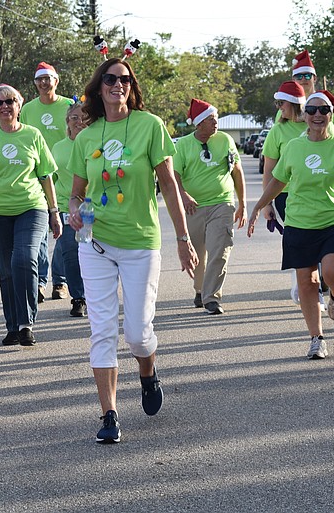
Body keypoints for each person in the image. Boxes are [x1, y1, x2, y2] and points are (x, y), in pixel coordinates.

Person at [67, 57, 198, 444]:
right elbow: (76, 194)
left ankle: (147, 371)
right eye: (109, 78)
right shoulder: (86, 136)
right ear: (98, 86)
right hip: (96, 245)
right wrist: (75, 212)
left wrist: (183, 237)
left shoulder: (150, 126)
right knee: (103, 330)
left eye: (124, 79)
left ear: (131, 86)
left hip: (141, 243)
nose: (117, 84)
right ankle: (108, 414)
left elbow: (169, 185)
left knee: (139, 334)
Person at [248, 93, 334, 359]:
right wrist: (258, 206)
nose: (317, 114)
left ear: (330, 115)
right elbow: (278, 180)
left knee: (333, 272)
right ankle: (316, 338)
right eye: (311, 110)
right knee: (306, 282)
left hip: (331, 219)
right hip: (299, 222)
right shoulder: (293, 147)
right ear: (304, 115)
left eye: (323, 110)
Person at [0, 84, 62, 347]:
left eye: (10, 101)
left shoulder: (33, 135)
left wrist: (54, 212)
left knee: (24, 259)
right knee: (6, 271)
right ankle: (13, 326)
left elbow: (45, 176)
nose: (5, 106)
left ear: (19, 105)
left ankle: (26, 323)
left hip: (31, 207)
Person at [174, 98, 246, 315]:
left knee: (220, 249)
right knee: (197, 254)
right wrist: (183, 195)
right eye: (211, 119)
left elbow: (237, 172)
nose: (216, 123)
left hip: (222, 203)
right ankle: (200, 289)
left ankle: (212, 297)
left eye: (216, 118)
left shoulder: (225, 140)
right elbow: (174, 175)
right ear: (198, 123)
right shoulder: (184, 145)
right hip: (193, 207)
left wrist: (242, 203)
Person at [20, 62, 73, 303]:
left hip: (65, 173)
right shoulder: (28, 109)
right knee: (39, 230)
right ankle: (40, 281)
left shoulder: (68, 106)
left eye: (48, 78)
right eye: (39, 79)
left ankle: (59, 281)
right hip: (37, 174)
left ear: (56, 81)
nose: (43, 83)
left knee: (62, 228)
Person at [261, 81, 316, 306]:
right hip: (286, 196)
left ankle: (315, 286)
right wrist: (267, 203)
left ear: (293, 103)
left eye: (281, 102)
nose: (279, 107)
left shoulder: (316, 122)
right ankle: (303, 286)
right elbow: (269, 170)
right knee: (299, 241)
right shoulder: (278, 131)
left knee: (318, 241)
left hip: (317, 194)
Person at [50, 99, 88, 317]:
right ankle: (78, 298)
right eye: (74, 118)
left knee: (94, 253)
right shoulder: (58, 148)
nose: (79, 122)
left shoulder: (94, 142)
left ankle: (96, 295)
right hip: (67, 207)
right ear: (67, 122)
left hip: (93, 208)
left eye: (83, 118)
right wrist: (52, 209)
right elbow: (51, 178)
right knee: (71, 254)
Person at [288, 50, 334, 132]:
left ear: (314, 78)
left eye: (307, 76)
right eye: (298, 76)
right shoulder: (286, 107)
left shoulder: (328, 104)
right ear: (293, 80)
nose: (303, 79)